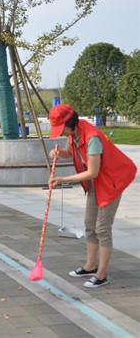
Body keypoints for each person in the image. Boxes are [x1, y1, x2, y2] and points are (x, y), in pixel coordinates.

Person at [48, 104, 137, 289]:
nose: (61, 133)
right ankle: (90, 266)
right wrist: (59, 152)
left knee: (102, 228)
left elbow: (93, 172)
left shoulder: (93, 137)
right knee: (90, 225)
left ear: (70, 123)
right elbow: (71, 153)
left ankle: (102, 275)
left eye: (61, 128)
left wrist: (64, 178)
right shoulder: (74, 134)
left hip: (111, 181)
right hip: (98, 182)